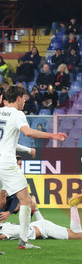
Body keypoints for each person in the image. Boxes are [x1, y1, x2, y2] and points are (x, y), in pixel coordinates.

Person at [0, 86, 67, 249]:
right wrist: (52, 135)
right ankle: (23, 241)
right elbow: (28, 132)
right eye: (23, 98)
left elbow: (8, 140)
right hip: (6, 163)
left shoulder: (1, 111)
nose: (25, 101)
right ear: (17, 98)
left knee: (2, 199)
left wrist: (27, 150)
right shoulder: (17, 114)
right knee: (26, 200)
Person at [0, 192, 82, 242]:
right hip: (39, 226)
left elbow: (3, 236)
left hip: (45, 228)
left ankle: (73, 206)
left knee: (77, 235)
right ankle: (35, 208)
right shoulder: (5, 227)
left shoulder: (7, 231)